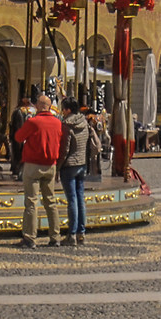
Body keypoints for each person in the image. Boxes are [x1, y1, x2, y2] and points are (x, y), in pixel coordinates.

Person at [14, 93, 65, 247]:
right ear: (49, 107)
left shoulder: (33, 122)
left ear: (37, 106)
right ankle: (55, 236)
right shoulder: (57, 123)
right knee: (50, 201)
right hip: (50, 165)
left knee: (31, 202)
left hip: (33, 164)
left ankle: (30, 237)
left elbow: (18, 137)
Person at [58, 96, 93, 245]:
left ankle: (71, 233)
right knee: (80, 198)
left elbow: (65, 149)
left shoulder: (67, 125)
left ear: (67, 110)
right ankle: (81, 232)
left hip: (69, 165)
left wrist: (58, 165)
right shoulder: (84, 122)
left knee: (72, 199)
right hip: (82, 163)